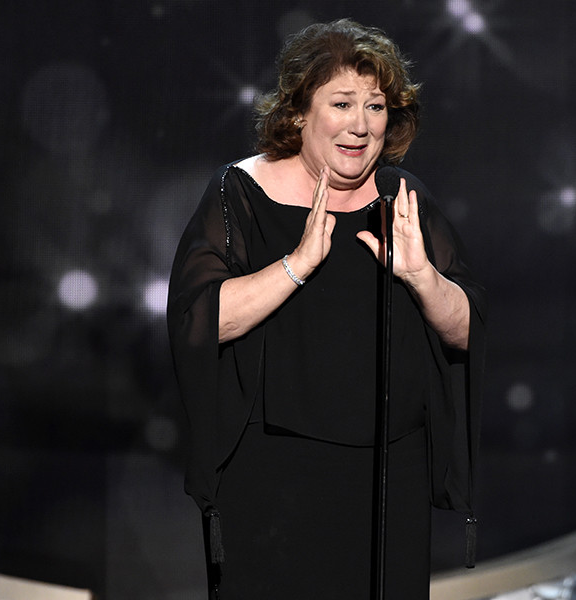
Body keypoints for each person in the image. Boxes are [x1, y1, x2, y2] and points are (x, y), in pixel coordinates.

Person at [167, 18, 485, 599]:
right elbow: (198, 320)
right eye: (342, 104)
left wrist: (420, 275)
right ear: (297, 113)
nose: (361, 126)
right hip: (273, 477)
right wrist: (297, 263)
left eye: (376, 107)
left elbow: (469, 332)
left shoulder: (403, 199)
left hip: (390, 477)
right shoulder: (239, 193)